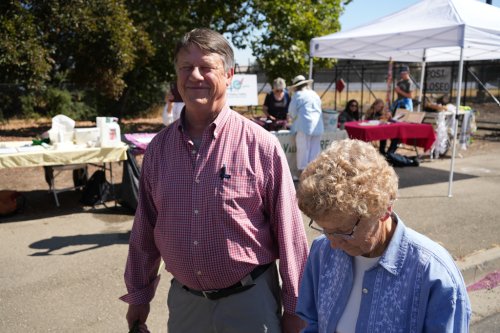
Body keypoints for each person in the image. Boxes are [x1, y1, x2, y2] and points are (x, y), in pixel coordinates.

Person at [121, 28, 308, 333]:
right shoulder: (158, 150)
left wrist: (296, 307)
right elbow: (145, 230)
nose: (194, 76)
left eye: (206, 67)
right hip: (185, 306)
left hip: (250, 304)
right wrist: (139, 297)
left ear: (229, 74)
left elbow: (290, 234)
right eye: (186, 67)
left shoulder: (261, 146)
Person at [295, 139, 471, 333]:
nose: (334, 244)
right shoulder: (322, 251)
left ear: (384, 209)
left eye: (344, 231)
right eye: (325, 230)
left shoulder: (433, 273)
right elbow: (311, 323)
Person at [288, 75, 324, 179]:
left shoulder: (297, 95)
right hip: (318, 125)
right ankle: (312, 175)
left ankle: (302, 175)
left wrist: (294, 119)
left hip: (304, 126)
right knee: (314, 151)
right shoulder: (314, 94)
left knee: (303, 150)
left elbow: (292, 112)